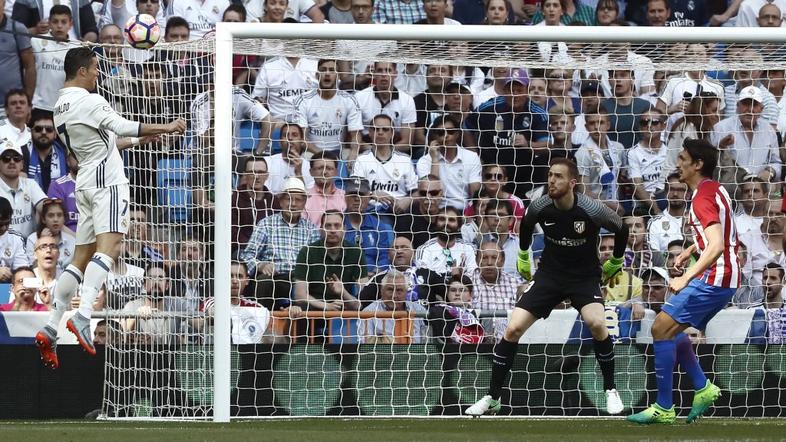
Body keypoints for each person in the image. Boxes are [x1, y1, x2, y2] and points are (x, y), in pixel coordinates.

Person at [35, 47, 186, 370]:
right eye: (95, 69)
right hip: (108, 184)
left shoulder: (59, 106)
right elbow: (122, 126)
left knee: (79, 260)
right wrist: (167, 126)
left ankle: (51, 324)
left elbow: (103, 143)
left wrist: (141, 142)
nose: (98, 74)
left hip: (86, 181)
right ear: (82, 71)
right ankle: (84, 315)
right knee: (111, 247)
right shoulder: (91, 101)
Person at [465, 158, 628, 417]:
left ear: (572, 183)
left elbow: (622, 228)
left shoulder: (592, 209)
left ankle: (610, 390)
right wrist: (522, 255)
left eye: (558, 177)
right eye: (550, 175)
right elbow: (527, 226)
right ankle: (492, 397)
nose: (551, 181)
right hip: (549, 276)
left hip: (584, 277)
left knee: (597, 323)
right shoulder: (540, 206)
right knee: (513, 328)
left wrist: (616, 262)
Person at [627, 138, 740, 424]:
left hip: (716, 277)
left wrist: (686, 276)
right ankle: (701, 387)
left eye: (682, 157)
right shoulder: (714, 189)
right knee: (670, 329)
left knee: (659, 327)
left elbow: (716, 246)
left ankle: (665, 407)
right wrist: (690, 249)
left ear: (698, 164)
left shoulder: (701, 198)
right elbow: (721, 233)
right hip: (726, 276)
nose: (678, 162)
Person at [241, 177, 321, 311]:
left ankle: (302, 330)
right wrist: (261, 265)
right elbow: (247, 255)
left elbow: (316, 261)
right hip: (274, 277)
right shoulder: (267, 224)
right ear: (281, 201)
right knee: (263, 282)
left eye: (298, 199)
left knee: (312, 286)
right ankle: (265, 325)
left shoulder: (311, 229)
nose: (293, 204)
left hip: (300, 278)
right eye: (289, 199)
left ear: (304, 202)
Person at [292, 210, 365, 311]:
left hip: (344, 306)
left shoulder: (356, 252)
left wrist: (343, 292)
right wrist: (327, 306)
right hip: (314, 308)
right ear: (321, 229)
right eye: (328, 226)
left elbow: (364, 300)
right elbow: (300, 295)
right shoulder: (307, 252)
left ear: (344, 229)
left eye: (337, 225)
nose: (332, 230)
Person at [710, 86, 781, 186]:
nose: (750, 109)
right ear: (737, 106)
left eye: (754, 104)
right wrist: (720, 147)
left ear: (761, 109)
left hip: (759, 193)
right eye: (746, 104)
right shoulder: (720, 128)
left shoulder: (769, 130)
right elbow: (709, 162)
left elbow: (776, 162)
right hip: (729, 190)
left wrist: (770, 172)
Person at [293, 59, 363, 158]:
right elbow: (302, 139)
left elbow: (355, 134)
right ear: (317, 75)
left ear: (338, 76)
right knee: (304, 159)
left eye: (331, 70)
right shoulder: (303, 100)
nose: (327, 73)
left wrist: (354, 152)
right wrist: (325, 155)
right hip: (312, 152)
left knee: (356, 160)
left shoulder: (349, 100)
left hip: (340, 151)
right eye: (323, 70)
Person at [352, 114, 418, 214]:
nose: (380, 133)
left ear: (392, 133)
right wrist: (372, 194)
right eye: (376, 129)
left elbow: (417, 192)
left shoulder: (404, 160)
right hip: (372, 211)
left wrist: (408, 200)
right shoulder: (361, 160)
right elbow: (354, 190)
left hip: (401, 211)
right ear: (370, 133)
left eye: (385, 129)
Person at [416, 115, 481, 210]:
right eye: (441, 132)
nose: (446, 136)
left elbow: (475, 194)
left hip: (464, 211)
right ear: (435, 136)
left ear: (457, 134)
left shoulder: (471, 157)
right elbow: (431, 191)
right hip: (436, 210)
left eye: (450, 131)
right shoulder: (424, 161)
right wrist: (434, 159)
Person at [354, 61, 417, 151]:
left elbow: (407, 142)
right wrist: (374, 151)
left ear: (395, 74)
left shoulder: (407, 100)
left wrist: (386, 152)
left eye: (388, 70)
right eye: (380, 70)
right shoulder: (359, 97)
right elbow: (353, 138)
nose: (384, 74)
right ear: (374, 74)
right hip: (365, 150)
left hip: (396, 151)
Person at [469, 239, 523, 339]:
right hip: (476, 340)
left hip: (509, 339)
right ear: (477, 261)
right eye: (484, 258)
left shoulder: (515, 284)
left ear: (502, 261)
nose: (489, 263)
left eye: (494, 258)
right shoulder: (468, 283)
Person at [30, 6, 78, 114]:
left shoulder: (77, 47)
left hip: (66, 108)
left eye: (64, 22)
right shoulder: (36, 42)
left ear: (71, 24)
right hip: (39, 105)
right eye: (55, 21)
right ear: (50, 23)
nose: (59, 26)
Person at [360, 268, 428, 343]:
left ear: (406, 293)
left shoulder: (419, 310)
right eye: (390, 289)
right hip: (383, 354)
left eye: (399, 290)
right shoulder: (368, 313)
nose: (394, 296)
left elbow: (427, 342)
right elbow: (364, 346)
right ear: (381, 291)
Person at [342, 178, 393, 275]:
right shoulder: (337, 224)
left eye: (361, 195)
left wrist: (374, 274)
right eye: (353, 194)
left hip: (372, 279)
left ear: (369, 198)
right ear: (345, 197)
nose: (357, 199)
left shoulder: (378, 226)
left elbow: (384, 256)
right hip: (344, 277)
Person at [415, 205, 478, 278]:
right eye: (442, 219)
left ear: (459, 226)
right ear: (436, 224)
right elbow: (423, 279)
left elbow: (474, 279)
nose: (446, 223)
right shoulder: (425, 250)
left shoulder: (469, 249)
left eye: (451, 220)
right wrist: (455, 276)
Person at [0, 142, 46, 238]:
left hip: (29, 245)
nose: (12, 162)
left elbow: (46, 207)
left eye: (16, 158)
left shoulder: (31, 184)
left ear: (22, 164)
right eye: (6, 158)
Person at [232, 156, 275, 250]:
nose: (257, 177)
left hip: (269, 252)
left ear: (267, 176)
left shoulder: (273, 201)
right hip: (242, 251)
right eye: (252, 172)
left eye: (261, 172)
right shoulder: (234, 200)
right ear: (245, 175)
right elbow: (233, 234)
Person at [0, 0, 36, 110]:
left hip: (12, 104)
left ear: (4, 3)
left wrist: (27, 100)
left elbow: (30, 66)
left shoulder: (17, 28)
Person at [22, 112, 69, 193]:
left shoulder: (65, 155)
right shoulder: (21, 153)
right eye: (38, 129)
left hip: (60, 203)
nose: (44, 132)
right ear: (31, 132)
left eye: (49, 129)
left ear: (55, 134)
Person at [393, 174, 443, 249]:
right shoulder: (406, 221)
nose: (428, 197)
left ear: (441, 194)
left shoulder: (448, 218)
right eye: (423, 193)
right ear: (418, 195)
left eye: (434, 193)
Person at [263, 123, 315, 193]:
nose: (290, 138)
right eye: (285, 135)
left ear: (302, 142)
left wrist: (298, 173)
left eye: (295, 135)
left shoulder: (310, 168)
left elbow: (308, 198)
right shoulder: (267, 163)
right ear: (280, 142)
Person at [26, 199, 75, 271]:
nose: (55, 219)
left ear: (64, 219)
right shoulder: (32, 239)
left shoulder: (71, 240)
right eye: (51, 216)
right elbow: (33, 269)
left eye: (59, 215)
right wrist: (42, 242)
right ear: (43, 219)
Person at [646, 173, 688, 252]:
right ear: (665, 193)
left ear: (688, 194)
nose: (675, 194)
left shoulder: (696, 220)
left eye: (680, 190)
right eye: (671, 189)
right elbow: (654, 257)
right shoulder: (655, 223)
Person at [303, 151, 346, 227]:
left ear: (336, 172)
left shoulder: (345, 197)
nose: (324, 172)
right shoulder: (304, 198)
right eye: (320, 168)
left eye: (329, 168)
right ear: (311, 172)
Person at [0, 196, 28, 281]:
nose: (4, 228)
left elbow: (22, 271)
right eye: (0, 224)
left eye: (7, 223)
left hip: (8, 287)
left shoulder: (16, 239)